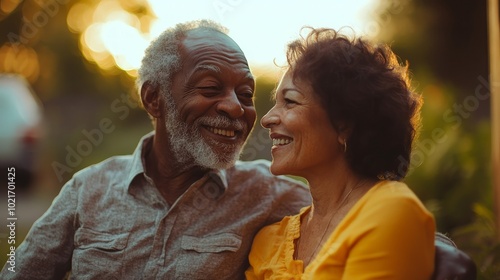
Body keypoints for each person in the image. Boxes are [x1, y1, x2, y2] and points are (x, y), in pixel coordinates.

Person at [0, 20, 474, 280]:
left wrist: (444, 258)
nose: (239, 110)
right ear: (153, 99)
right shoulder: (88, 189)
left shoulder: (266, 195)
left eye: (247, 95)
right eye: (210, 88)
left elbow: (361, 206)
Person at [245, 27, 476, 279]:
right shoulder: (269, 242)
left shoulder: (390, 213)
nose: (266, 119)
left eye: (290, 101)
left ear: (345, 124)